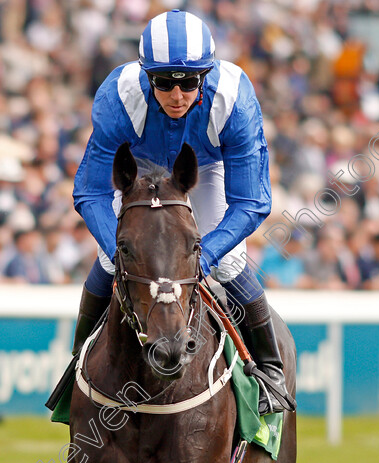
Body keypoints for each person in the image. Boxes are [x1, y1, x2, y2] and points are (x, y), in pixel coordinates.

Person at [64, 10, 293, 415]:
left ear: (205, 76)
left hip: (203, 168)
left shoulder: (234, 99)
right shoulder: (118, 96)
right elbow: (91, 192)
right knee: (107, 257)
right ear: (145, 75)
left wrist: (207, 253)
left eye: (188, 82)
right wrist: (117, 250)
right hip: (138, 166)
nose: (177, 94)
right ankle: (76, 368)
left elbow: (252, 202)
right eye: (164, 82)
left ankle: (271, 370)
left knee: (229, 264)